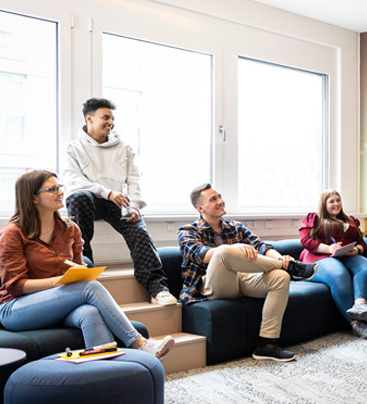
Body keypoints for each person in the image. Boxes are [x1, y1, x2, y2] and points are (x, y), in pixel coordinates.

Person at [0, 170, 175, 359]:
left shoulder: (70, 229)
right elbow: (16, 285)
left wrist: (79, 272)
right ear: (33, 198)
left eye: (59, 187)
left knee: (89, 312)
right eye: (52, 189)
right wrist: (60, 281)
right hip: (16, 308)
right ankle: (139, 343)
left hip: (57, 303)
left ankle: (106, 370)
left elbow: (77, 266)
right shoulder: (13, 233)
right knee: (90, 287)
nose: (60, 192)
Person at [179, 183, 317, 362]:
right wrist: (236, 248)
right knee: (224, 251)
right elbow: (201, 255)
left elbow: (261, 246)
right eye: (213, 199)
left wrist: (281, 258)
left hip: (242, 279)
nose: (220, 201)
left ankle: (266, 344)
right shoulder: (187, 231)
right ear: (200, 208)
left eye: (220, 196)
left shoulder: (235, 227)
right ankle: (292, 268)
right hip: (212, 286)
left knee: (280, 277)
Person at [62, 98, 177, 306]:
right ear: (89, 119)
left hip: (117, 201)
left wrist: (134, 206)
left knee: (139, 231)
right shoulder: (73, 148)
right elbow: (73, 181)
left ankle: (157, 288)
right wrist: (106, 193)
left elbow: (134, 180)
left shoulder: (124, 148)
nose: (111, 122)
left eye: (112, 118)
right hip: (91, 199)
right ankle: (84, 276)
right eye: (106, 117)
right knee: (79, 197)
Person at [299, 190, 367, 339]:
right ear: (324, 204)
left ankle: (360, 304)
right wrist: (329, 248)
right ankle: (355, 323)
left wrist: (357, 250)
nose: (336, 204)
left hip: (345, 256)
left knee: (365, 266)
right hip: (319, 257)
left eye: (338, 200)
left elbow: (361, 242)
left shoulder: (350, 220)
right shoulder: (314, 218)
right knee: (339, 274)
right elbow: (305, 240)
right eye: (331, 201)